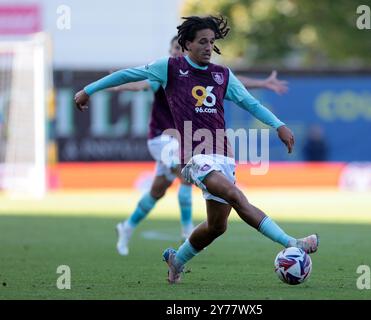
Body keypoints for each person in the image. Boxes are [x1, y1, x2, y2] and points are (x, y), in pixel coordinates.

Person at [74, 15, 319, 284]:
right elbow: (128, 74)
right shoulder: (169, 68)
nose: (208, 47)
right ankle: (293, 242)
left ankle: (176, 261)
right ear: (187, 43)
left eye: (211, 42)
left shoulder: (222, 74)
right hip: (195, 157)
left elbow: (251, 104)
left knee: (217, 226)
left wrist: (279, 125)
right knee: (235, 195)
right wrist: (88, 90)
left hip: (223, 157)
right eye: (202, 41)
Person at [112, 37, 289, 256]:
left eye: (180, 48)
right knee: (186, 173)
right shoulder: (165, 72)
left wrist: (261, 84)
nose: (178, 52)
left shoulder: (201, 74)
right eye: (175, 48)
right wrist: (118, 84)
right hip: (163, 139)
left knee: (157, 191)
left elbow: (230, 82)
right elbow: (140, 83)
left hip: (184, 140)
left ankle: (127, 227)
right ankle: (187, 232)